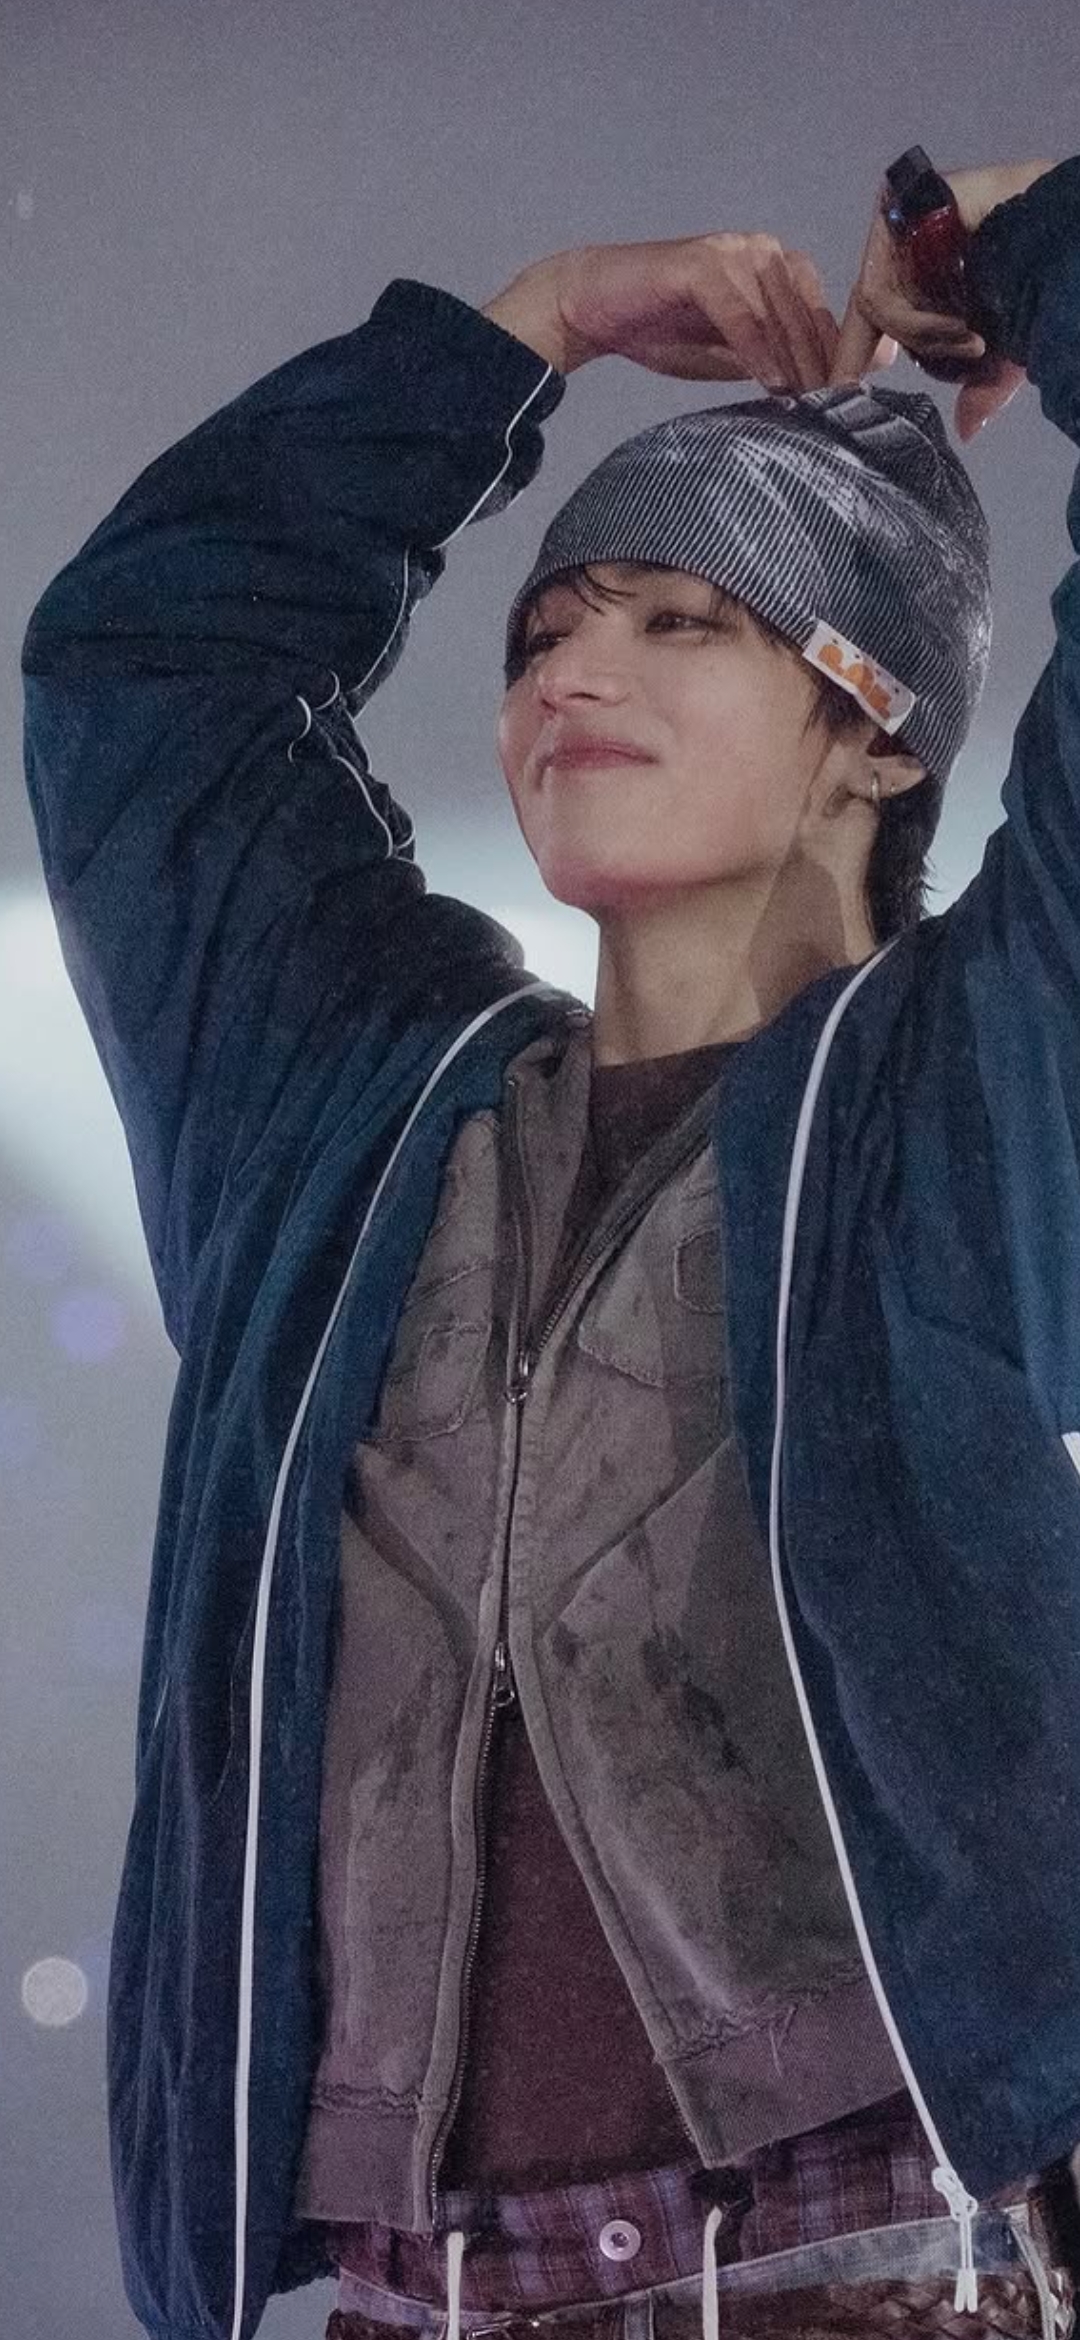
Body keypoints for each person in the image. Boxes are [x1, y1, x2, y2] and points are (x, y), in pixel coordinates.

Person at [19, 147, 1080, 2340]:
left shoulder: (964, 1090)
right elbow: (148, 664)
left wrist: (1029, 239)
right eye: (545, 632)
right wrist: (531, 333)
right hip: (421, 2299)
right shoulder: (349, 1119)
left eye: (684, 620)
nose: (574, 668)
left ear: (873, 737)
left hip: (885, 2268)